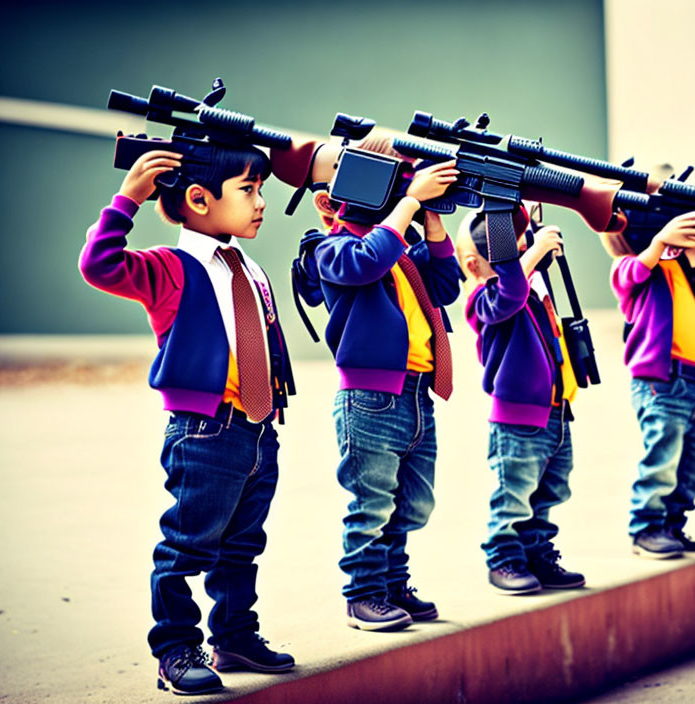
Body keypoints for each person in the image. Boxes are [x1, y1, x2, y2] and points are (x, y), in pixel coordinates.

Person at [79, 145, 295, 695]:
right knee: (188, 544)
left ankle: (235, 636)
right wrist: (128, 200)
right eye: (248, 190)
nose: (261, 202)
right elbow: (99, 264)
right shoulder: (170, 268)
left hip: (256, 427)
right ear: (199, 198)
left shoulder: (246, 264)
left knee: (243, 543)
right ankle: (175, 648)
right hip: (204, 430)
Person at [310, 160, 461, 630]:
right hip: (369, 397)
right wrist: (410, 201)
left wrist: (431, 220)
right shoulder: (331, 248)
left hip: (417, 394)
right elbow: (362, 262)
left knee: (413, 503)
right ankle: (364, 594)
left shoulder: (402, 251)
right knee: (371, 504)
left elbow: (447, 286)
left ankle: (394, 584)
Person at [457, 206, 586, 594]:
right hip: (517, 417)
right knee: (513, 494)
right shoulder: (484, 300)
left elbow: (526, 275)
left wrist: (528, 226)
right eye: (509, 255)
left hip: (555, 412)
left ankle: (535, 553)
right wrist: (525, 257)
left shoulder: (531, 285)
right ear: (474, 264)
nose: (521, 258)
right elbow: (511, 289)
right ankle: (504, 559)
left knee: (548, 491)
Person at [604, 209, 695, 558]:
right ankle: (646, 528)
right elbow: (634, 271)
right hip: (660, 382)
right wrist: (659, 242)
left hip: (694, 384)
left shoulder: (679, 265)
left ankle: (671, 524)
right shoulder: (629, 266)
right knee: (662, 460)